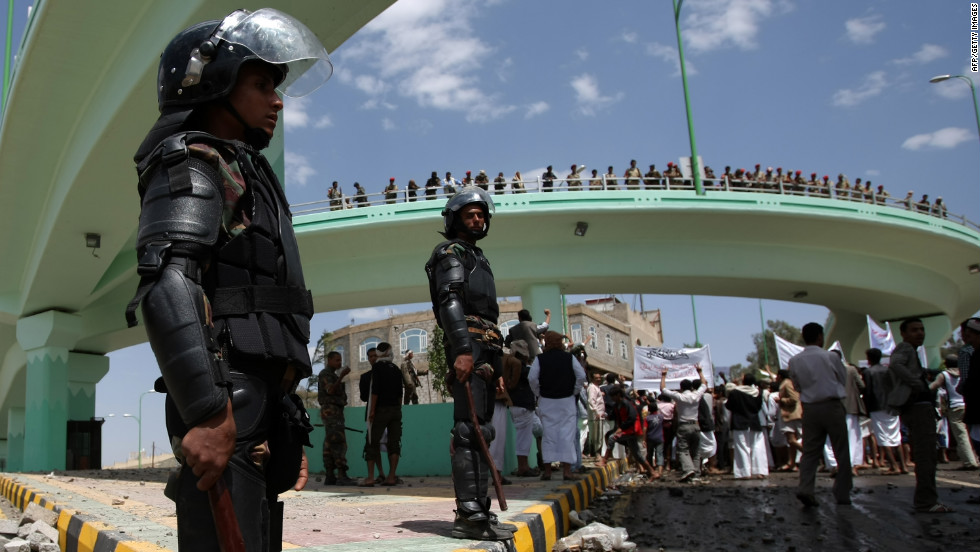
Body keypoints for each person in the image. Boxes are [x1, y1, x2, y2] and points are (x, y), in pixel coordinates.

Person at [125, 9, 331, 551]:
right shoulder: (193, 163)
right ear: (211, 79)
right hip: (224, 403)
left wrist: (285, 412)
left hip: (258, 405)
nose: (277, 100)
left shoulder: (245, 169)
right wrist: (210, 412)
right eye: (262, 84)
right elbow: (169, 282)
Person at [424, 187, 514, 541]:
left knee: (483, 430)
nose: (477, 219)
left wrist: (499, 369)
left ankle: (481, 510)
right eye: (469, 214)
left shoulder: (477, 255)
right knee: (468, 429)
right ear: (454, 220)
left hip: (487, 346)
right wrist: (462, 349)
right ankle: (469, 515)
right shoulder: (450, 253)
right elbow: (450, 302)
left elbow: (488, 315)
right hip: (470, 345)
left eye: (481, 214)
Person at [887, 318, 952, 513]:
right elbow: (896, 366)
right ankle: (926, 502)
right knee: (926, 456)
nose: (920, 333)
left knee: (927, 455)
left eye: (922, 329)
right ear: (904, 334)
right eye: (914, 330)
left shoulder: (911, 351)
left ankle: (926, 500)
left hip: (918, 408)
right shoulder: (905, 348)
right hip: (918, 408)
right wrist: (917, 383)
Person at [788, 322, 852, 507]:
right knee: (841, 450)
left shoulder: (795, 360)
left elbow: (797, 386)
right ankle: (842, 492)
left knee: (810, 452)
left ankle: (806, 488)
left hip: (809, 407)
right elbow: (842, 378)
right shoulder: (831, 357)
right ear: (820, 337)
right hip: (832, 405)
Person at [529, 331, 587, 480]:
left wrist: (539, 393)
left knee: (549, 435)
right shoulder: (569, 358)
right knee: (567, 435)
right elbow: (581, 376)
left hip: (546, 401)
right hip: (566, 401)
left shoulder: (540, 359)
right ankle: (567, 471)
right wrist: (574, 391)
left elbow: (532, 378)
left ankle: (548, 471)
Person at [363, 343, 403, 487]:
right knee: (394, 444)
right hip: (395, 411)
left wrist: (372, 411)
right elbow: (400, 394)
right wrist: (398, 410)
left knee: (372, 443)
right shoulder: (397, 369)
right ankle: (391, 477)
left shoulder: (377, 368)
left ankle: (371, 478)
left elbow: (375, 391)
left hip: (381, 410)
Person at [658, 366, 708, 482]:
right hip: (695, 425)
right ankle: (696, 472)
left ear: (680, 388)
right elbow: (704, 384)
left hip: (684, 426)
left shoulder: (679, 396)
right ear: (691, 387)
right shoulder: (696, 395)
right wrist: (700, 371)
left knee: (683, 450)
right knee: (696, 451)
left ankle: (688, 469)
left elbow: (663, 389)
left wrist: (664, 375)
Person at [863, 347, 906, 474]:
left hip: (877, 407)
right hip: (892, 406)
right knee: (896, 436)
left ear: (869, 359)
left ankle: (894, 466)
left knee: (883, 437)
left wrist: (866, 408)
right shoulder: (889, 370)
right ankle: (902, 466)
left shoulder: (868, 372)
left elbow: (868, 392)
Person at [600, 384, 655, 476]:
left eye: (613, 396)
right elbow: (614, 416)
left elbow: (632, 418)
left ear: (618, 395)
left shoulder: (626, 404)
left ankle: (604, 460)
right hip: (627, 431)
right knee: (637, 455)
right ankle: (652, 472)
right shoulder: (617, 405)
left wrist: (621, 429)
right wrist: (607, 416)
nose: (612, 399)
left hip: (631, 430)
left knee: (611, 437)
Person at [318, 352, 356, 486]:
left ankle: (330, 475)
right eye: (336, 360)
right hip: (332, 411)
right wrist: (342, 376)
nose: (339, 363)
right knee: (338, 441)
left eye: (340, 360)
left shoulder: (331, 374)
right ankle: (341, 474)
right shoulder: (326, 374)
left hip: (333, 410)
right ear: (329, 360)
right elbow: (331, 391)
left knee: (330, 442)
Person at [504, 340, 540, 477]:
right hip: (524, 405)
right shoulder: (523, 369)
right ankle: (523, 467)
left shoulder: (509, 367)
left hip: (514, 405)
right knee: (524, 438)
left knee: (522, 436)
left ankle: (523, 466)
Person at [726, 373, 767, 480]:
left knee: (741, 447)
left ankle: (744, 472)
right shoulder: (758, 392)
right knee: (758, 446)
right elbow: (758, 407)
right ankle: (760, 471)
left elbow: (729, 405)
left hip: (739, 422)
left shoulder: (735, 392)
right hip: (754, 422)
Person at [776, 370, 803, 472]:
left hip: (791, 414)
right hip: (790, 414)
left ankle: (810, 454)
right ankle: (791, 463)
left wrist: (781, 400)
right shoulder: (789, 382)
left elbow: (794, 398)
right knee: (791, 441)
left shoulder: (787, 383)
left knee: (792, 440)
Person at [586, 372, 606, 460]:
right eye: (596, 378)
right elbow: (591, 400)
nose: (598, 379)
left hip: (599, 415)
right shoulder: (592, 388)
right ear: (592, 379)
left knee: (599, 435)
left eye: (599, 378)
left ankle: (597, 453)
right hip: (596, 416)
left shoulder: (597, 388)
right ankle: (596, 454)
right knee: (596, 436)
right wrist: (596, 412)